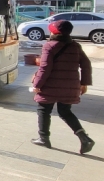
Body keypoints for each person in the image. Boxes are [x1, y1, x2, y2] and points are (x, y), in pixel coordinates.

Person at [30, 20, 95, 154]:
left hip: (50, 85)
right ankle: (84, 138)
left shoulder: (49, 46)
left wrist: (37, 85)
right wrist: (84, 83)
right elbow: (86, 64)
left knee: (43, 110)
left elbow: (45, 68)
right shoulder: (75, 46)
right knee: (65, 111)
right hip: (70, 86)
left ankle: (44, 138)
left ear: (54, 32)